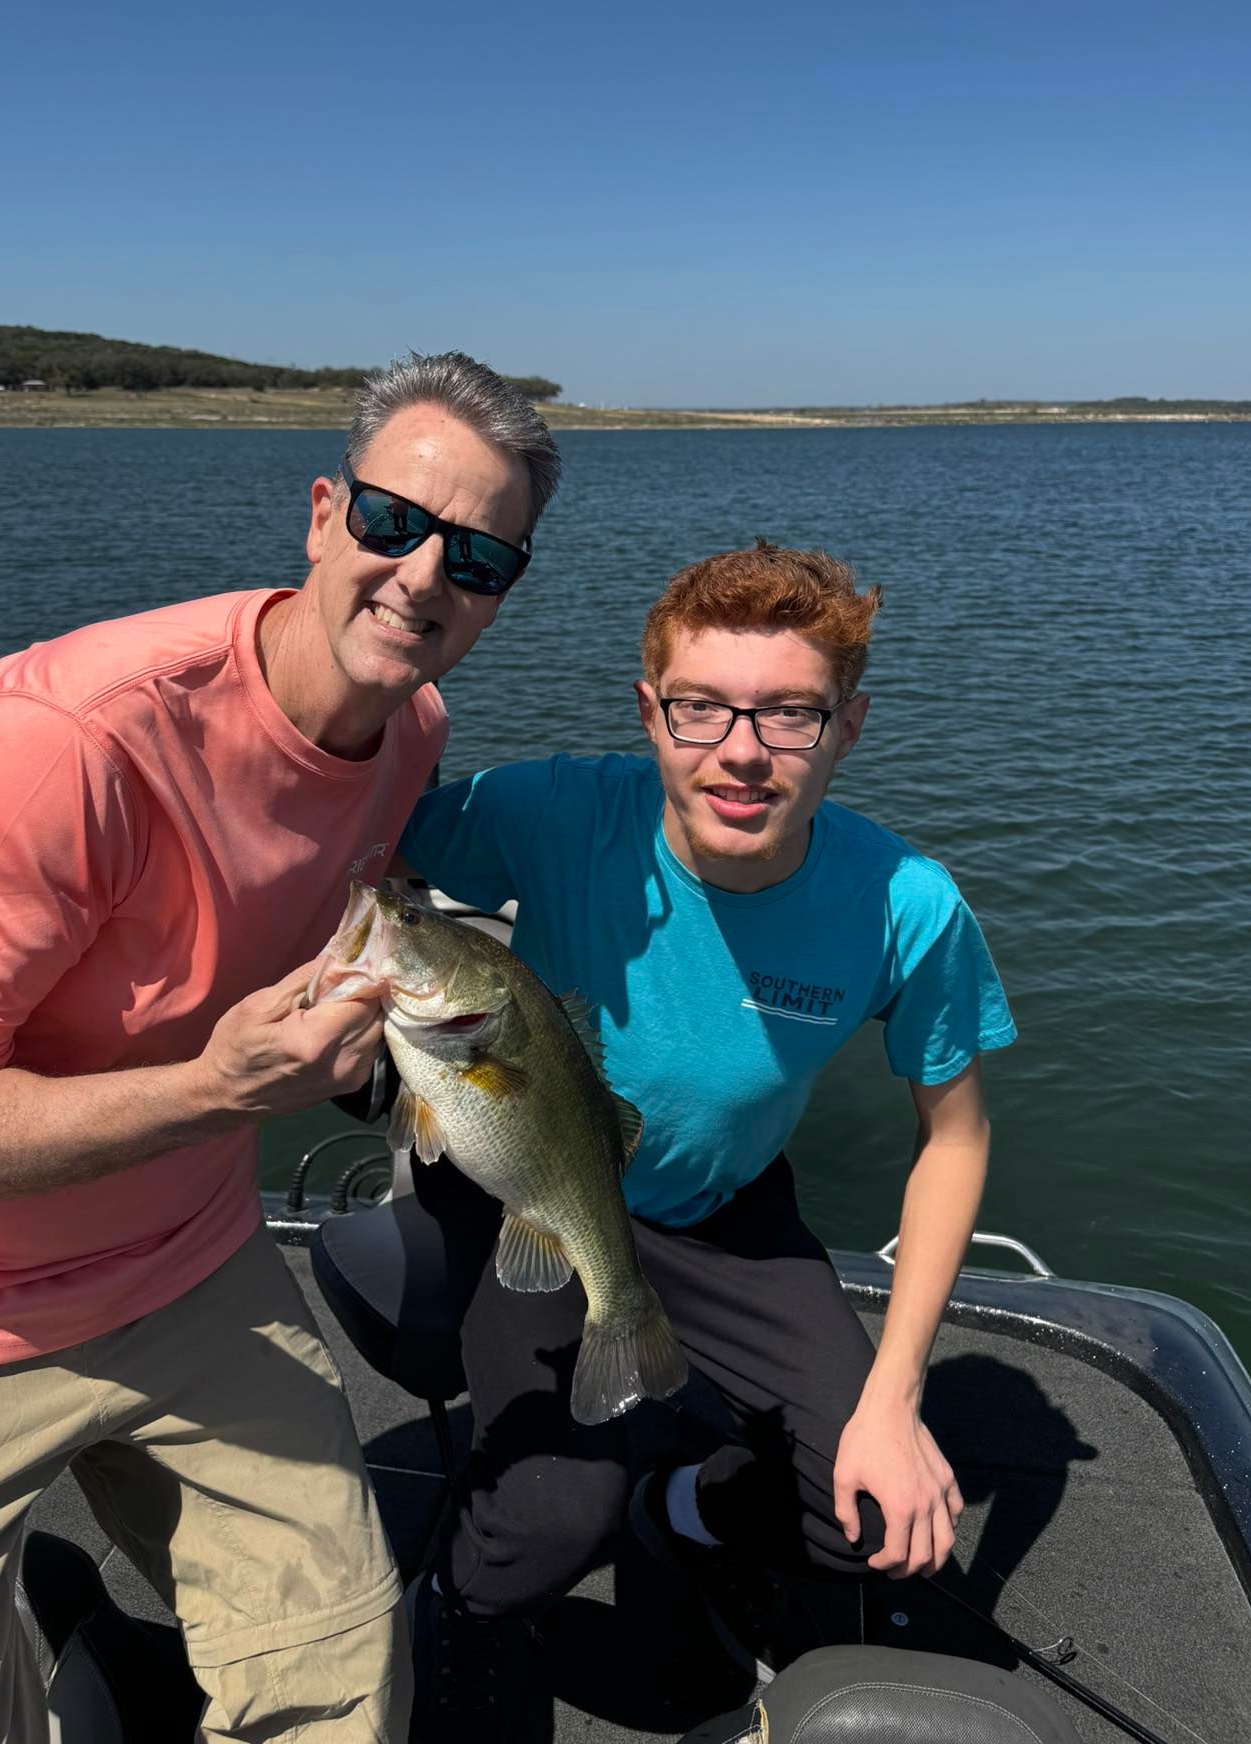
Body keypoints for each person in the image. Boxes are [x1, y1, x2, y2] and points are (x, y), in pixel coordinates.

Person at [0, 354, 561, 1744]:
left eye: (477, 556)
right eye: (396, 524)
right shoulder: (68, 742)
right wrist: (215, 1091)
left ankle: (105, 1628)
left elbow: (313, 925)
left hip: (187, 1263)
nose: (422, 578)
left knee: (345, 1690)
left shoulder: (412, 727)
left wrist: (363, 1056)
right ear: (325, 511)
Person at [392, 540, 1015, 1741]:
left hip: (728, 1208)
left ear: (849, 725)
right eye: (701, 708)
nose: (740, 750)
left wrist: (896, 1393)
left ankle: (684, 1508)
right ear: (651, 711)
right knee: (550, 1517)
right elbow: (369, 856)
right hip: (539, 1176)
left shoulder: (907, 903)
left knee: (869, 1515)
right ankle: (460, 1601)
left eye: (791, 714)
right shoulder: (552, 809)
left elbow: (955, 1138)